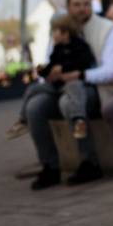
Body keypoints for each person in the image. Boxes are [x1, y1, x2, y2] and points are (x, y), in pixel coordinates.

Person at [21, 0, 113, 190]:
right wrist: (49, 75)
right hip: (61, 87)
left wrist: (80, 75)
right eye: (76, 5)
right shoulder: (60, 29)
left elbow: (112, 70)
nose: (82, 9)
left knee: (68, 103)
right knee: (35, 107)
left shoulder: (108, 29)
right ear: (68, 7)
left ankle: (89, 163)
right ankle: (50, 167)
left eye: (86, 4)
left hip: (96, 89)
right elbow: (50, 60)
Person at [6, 12, 96, 142]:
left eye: (55, 31)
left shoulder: (80, 46)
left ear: (65, 33)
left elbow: (85, 62)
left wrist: (63, 68)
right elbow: (51, 64)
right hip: (56, 85)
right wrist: (43, 71)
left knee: (76, 90)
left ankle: (79, 120)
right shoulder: (57, 48)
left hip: (71, 82)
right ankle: (23, 120)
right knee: (32, 89)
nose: (52, 35)